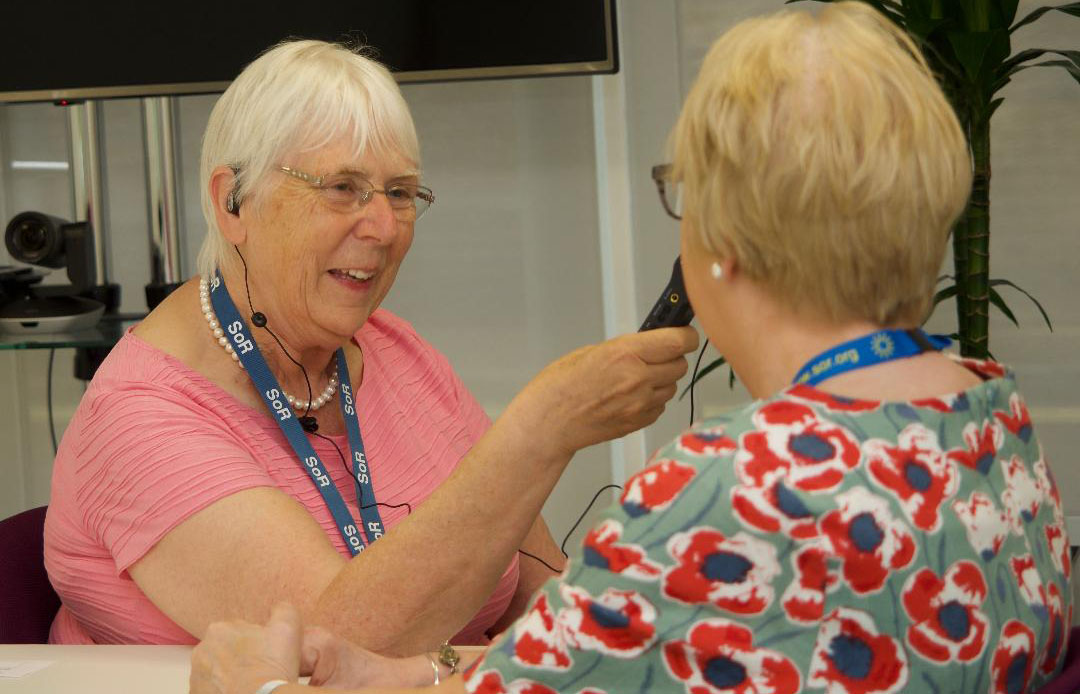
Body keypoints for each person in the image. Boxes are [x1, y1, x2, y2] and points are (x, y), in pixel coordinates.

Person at [188, 3, 1073, 693]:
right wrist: (399, 673)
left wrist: (263, 683)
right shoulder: (991, 417)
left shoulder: (731, 494)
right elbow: (576, 658)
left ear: (720, 242)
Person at [43, 38, 698, 657]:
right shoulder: (140, 416)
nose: (383, 227)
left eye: (401, 193)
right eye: (342, 189)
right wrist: (544, 426)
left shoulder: (393, 349)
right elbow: (336, 650)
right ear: (233, 202)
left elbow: (538, 588)